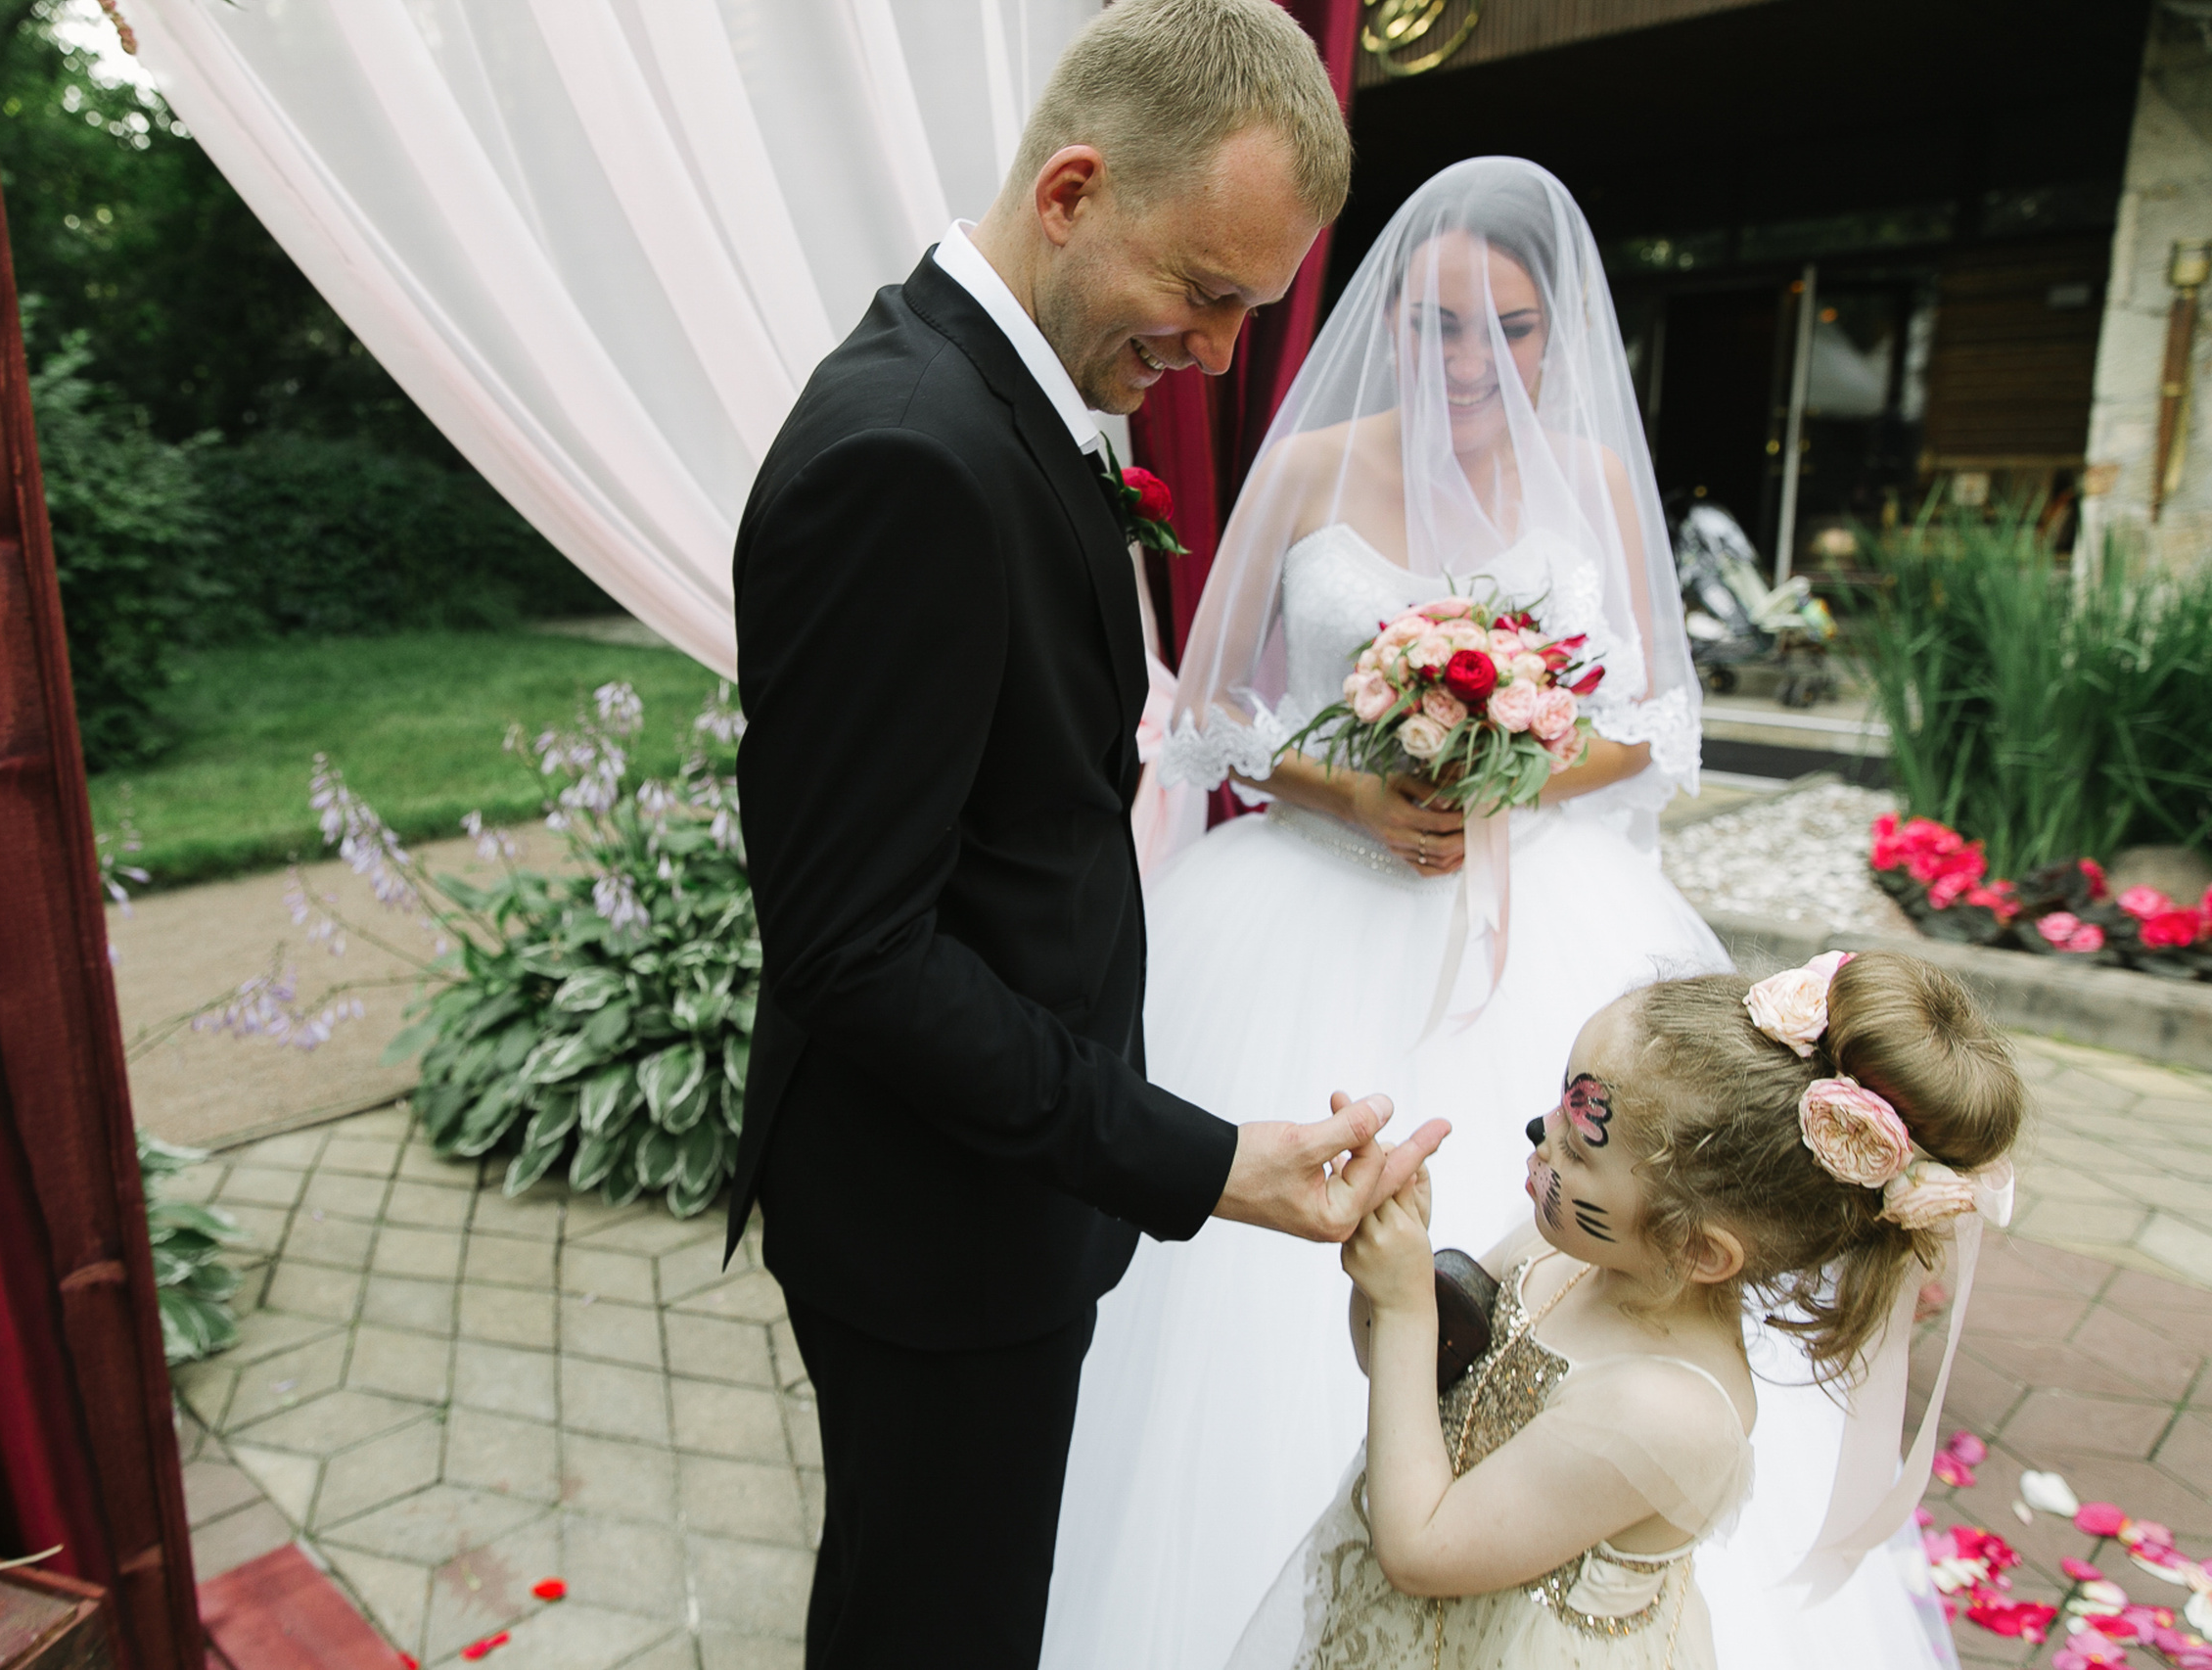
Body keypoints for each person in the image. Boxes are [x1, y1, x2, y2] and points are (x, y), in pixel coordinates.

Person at [728, 5, 1445, 1666]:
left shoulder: (1012, 399)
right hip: (932, 1221)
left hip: (998, 1193)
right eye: (1204, 293)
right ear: (1071, 192)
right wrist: (1200, 1158)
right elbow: (858, 951)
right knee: (934, 1632)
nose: (1218, 354)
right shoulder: (907, 452)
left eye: (1249, 311)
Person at [1046, 156, 1728, 1670]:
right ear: (1390, 322)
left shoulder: (1597, 481)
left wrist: (1512, 775)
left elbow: (1653, 723)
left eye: (1510, 329)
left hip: (1534, 911)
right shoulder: (1307, 468)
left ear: (1556, 337)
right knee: (1231, 1286)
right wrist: (1350, 791)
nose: (1472, 361)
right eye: (1437, 325)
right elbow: (1209, 714)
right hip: (1307, 903)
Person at [1225, 950, 2025, 1670]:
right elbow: (1403, 1375)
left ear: (1698, 1248)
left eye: (1579, 1148)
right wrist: (1394, 1272)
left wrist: (1405, 1308)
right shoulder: (1567, 1249)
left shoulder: (1674, 1411)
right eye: (1561, 1108)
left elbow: (1421, 1551)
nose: (1541, 1131)